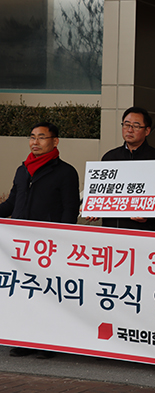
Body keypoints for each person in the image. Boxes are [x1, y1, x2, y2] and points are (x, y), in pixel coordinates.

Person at [0, 122, 80, 359]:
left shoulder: (66, 172)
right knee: (24, 292)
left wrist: (62, 240)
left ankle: (49, 342)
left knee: (48, 294)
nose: (35, 142)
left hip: (49, 245)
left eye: (41, 137)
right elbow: (11, 204)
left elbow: (70, 210)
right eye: (32, 137)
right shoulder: (22, 170)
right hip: (21, 245)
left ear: (55, 141)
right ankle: (25, 339)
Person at [100, 107, 155, 231]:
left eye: (136, 126)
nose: (130, 130)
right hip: (112, 230)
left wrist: (150, 217)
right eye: (126, 125)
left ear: (147, 131)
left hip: (145, 231)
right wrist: (93, 209)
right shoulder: (109, 158)